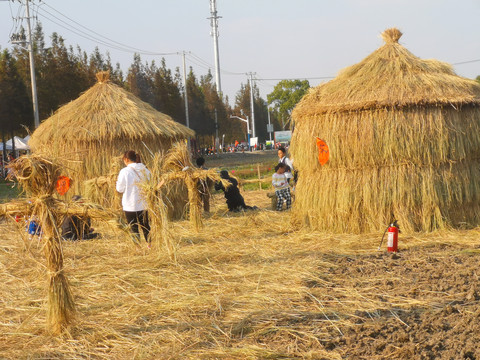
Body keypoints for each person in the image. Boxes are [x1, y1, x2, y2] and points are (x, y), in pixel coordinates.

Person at [116, 150, 151, 247]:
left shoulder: (124, 171)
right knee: (146, 226)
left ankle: (138, 248)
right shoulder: (145, 170)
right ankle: (150, 245)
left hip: (130, 204)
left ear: (126, 159)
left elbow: (119, 189)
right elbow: (151, 184)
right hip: (144, 204)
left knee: (133, 227)